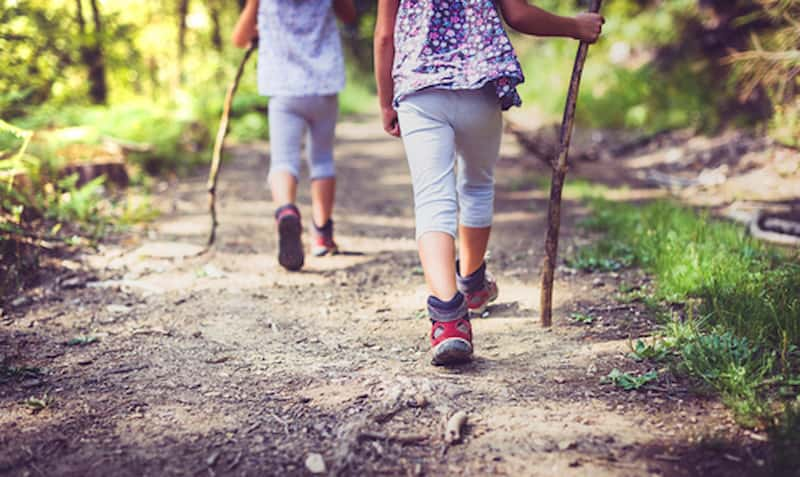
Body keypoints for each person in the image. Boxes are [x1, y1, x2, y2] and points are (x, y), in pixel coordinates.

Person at [374, 0, 604, 365]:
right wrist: (574, 26)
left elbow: (386, 35)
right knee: (477, 184)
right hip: (477, 86)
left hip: (419, 91)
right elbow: (517, 14)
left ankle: (448, 320)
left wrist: (386, 102)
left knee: (433, 199)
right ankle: (473, 284)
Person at [232, 0, 357, 271]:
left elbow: (239, 38)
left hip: (283, 88)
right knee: (322, 159)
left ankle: (286, 210)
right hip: (323, 85)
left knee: (283, 161)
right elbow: (349, 16)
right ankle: (322, 235)